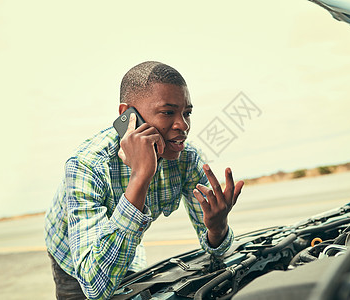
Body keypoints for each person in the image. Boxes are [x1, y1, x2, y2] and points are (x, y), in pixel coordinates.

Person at [44, 61, 244, 300]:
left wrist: (217, 228)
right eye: (168, 112)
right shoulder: (87, 166)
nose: (184, 125)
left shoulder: (187, 159)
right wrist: (141, 176)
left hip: (125, 241)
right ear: (127, 115)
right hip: (74, 258)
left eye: (187, 113)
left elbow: (217, 250)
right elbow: (95, 285)